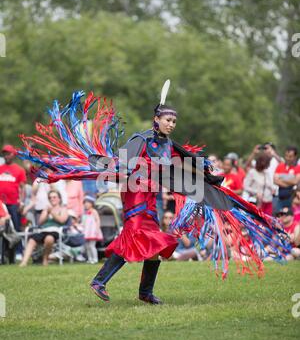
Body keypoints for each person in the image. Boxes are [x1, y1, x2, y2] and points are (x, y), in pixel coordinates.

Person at [18, 83, 291, 303]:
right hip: (135, 194)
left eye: (174, 120)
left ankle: (145, 292)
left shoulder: (168, 145)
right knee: (137, 237)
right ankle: (99, 281)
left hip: (152, 197)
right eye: (167, 119)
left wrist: (208, 176)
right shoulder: (141, 139)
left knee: (154, 246)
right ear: (156, 120)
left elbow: (186, 164)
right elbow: (123, 164)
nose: (172, 124)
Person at [19, 190, 69, 266]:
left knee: (49, 238)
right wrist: (46, 212)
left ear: (59, 199)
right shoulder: (46, 209)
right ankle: (24, 262)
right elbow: (40, 222)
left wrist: (52, 212)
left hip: (56, 231)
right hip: (43, 230)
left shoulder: (63, 209)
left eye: (54, 197)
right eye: (50, 197)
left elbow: (62, 220)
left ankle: (45, 259)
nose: (52, 199)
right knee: (32, 240)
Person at [0, 145, 26, 256]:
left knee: (15, 227)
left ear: (13, 154)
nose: (6, 155)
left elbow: (22, 188)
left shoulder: (19, 170)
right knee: (2, 228)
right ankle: (4, 252)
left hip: (14, 203)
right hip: (1, 205)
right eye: (5, 153)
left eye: (8, 153)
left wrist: (22, 202)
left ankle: (18, 252)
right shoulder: (0, 168)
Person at [82, 195, 103, 264]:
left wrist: (97, 229)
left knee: (92, 245)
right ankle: (90, 258)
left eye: (88, 203)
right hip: (87, 231)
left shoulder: (94, 211)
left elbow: (97, 220)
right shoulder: (85, 213)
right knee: (87, 246)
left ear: (92, 204)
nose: (86, 204)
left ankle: (95, 258)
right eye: (85, 203)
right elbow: (84, 222)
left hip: (92, 230)